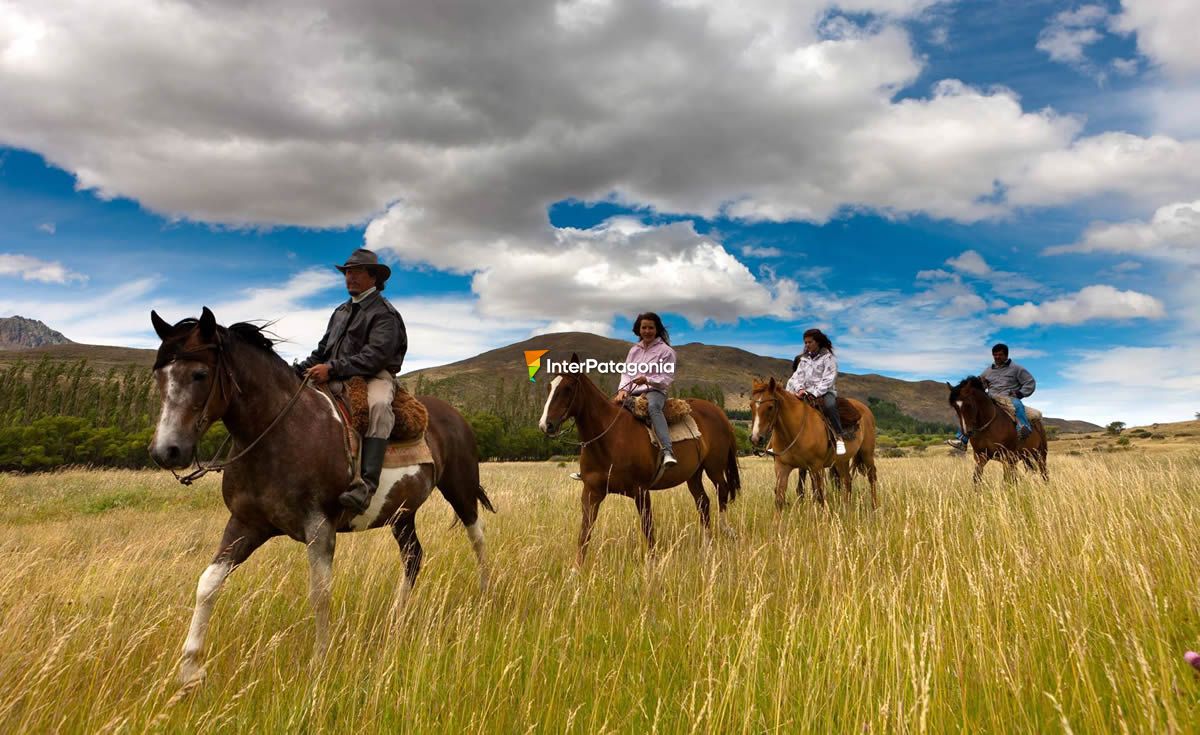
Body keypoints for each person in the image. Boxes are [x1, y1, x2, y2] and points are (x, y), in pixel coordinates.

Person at [296, 248, 407, 513]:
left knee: (379, 407)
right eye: (347, 272)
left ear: (373, 278)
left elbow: (375, 357)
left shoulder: (385, 314)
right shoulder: (340, 312)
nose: (350, 278)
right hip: (333, 373)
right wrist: (297, 371)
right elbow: (322, 350)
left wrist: (332, 369)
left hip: (372, 376)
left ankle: (367, 485)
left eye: (356, 272)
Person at [946, 343, 1036, 451]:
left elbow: (1030, 382)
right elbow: (981, 384)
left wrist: (1020, 393)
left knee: (1018, 405)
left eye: (1000, 355)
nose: (997, 357)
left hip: (1008, 398)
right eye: (995, 355)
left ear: (1006, 355)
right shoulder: (988, 370)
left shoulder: (1017, 369)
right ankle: (962, 439)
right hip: (991, 397)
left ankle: (1023, 428)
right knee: (970, 412)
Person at [786, 328, 850, 456]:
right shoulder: (804, 360)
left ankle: (839, 437)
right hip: (804, 392)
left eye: (810, 342)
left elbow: (828, 379)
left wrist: (814, 393)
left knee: (830, 406)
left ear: (818, 342)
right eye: (805, 342)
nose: (807, 345)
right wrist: (800, 389)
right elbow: (796, 377)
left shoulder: (828, 358)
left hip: (825, 392)